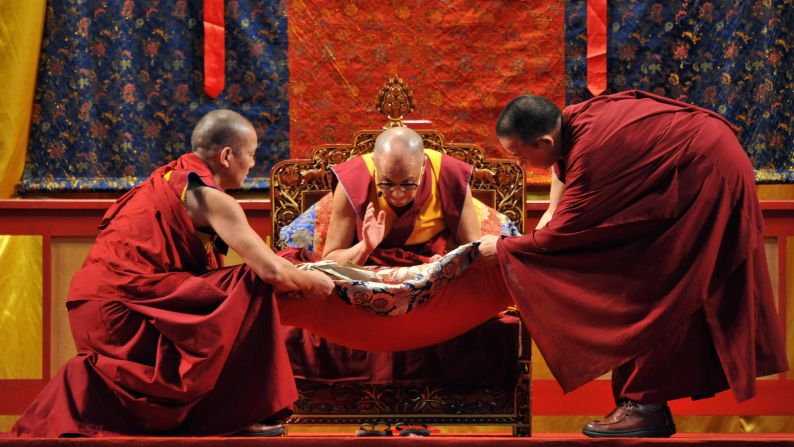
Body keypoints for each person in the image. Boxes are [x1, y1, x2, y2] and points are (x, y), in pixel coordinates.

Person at [479, 90, 788, 438]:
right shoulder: (573, 123)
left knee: (657, 282)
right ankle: (643, 404)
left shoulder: (594, 152)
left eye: (520, 156)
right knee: (641, 277)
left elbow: (563, 236)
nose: (521, 164)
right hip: (698, 159)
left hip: (707, 172)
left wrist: (504, 248)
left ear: (545, 140)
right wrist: (550, 210)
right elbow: (560, 181)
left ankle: (645, 406)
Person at [10, 109, 335, 437]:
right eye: (250, 155)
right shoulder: (210, 198)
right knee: (251, 284)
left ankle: (227, 411)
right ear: (226, 155)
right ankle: (241, 411)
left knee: (238, 288)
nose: (252, 164)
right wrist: (325, 283)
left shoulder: (169, 180)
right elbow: (270, 270)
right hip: (123, 308)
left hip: (94, 305)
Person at [322, 126, 481, 266]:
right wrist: (365, 247)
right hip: (368, 276)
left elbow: (474, 251)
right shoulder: (354, 178)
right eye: (387, 184)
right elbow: (329, 261)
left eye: (408, 184)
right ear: (375, 164)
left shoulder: (448, 174)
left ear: (423, 165)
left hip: (433, 274)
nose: (398, 195)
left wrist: (446, 264)